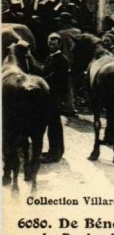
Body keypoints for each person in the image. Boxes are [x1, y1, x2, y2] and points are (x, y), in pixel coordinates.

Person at [40, 33, 69, 163]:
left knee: (54, 126)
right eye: (49, 43)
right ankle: (56, 150)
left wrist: (39, 81)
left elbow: (55, 78)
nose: (51, 46)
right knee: (54, 125)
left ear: (59, 45)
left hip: (55, 97)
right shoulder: (50, 58)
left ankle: (54, 154)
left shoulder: (61, 59)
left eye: (54, 44)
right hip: (50, 96)